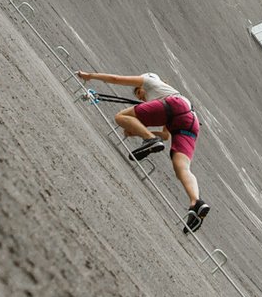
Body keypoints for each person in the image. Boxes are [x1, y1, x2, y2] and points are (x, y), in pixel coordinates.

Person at [74, 69, 211, 231]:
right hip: (190, 120)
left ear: (143, 85)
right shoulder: (166, 94)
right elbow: (165, 136)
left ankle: (149, 140)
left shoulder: (150, 80)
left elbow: (116, 78)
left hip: (175, 108)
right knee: (182, 167)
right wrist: (138, 132)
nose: (141, 98)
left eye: (140, 93)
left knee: (120, 117)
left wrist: (89, 76)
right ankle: (196, 202)